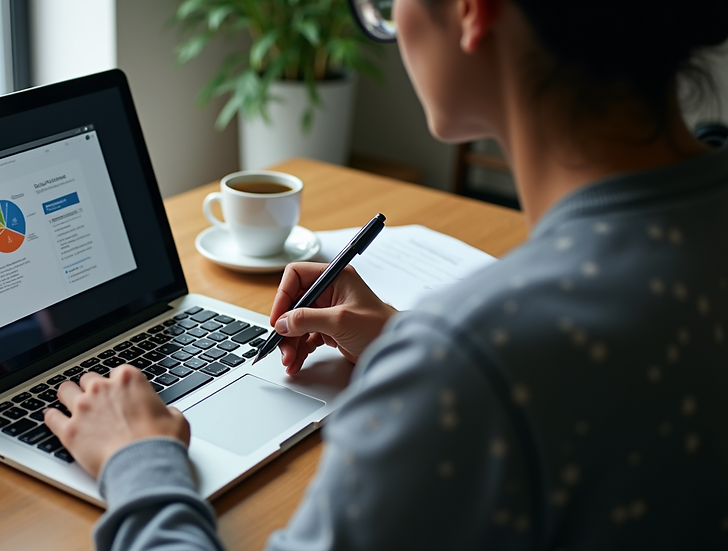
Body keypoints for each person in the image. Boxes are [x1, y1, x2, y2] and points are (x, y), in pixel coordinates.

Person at [44, 0, 728, 548]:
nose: (389, 24)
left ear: (471, 11)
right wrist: (417, 348)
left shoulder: (467, 359)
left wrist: (141, 464)